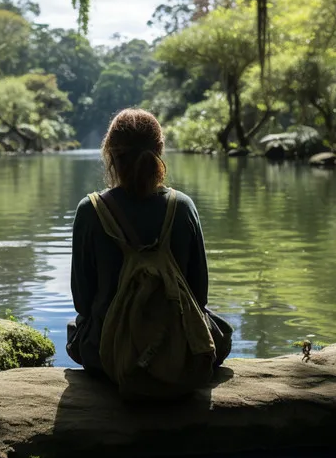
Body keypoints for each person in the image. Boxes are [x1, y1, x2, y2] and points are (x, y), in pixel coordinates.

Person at [66, 108, 232, 377]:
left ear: (110, 155)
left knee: (76, 329)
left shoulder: (90, 210)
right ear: (159, 152)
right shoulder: (182, 206)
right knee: (219, 329)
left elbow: (83, 303)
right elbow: (199, 296)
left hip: (108, 354)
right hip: (178, 350)